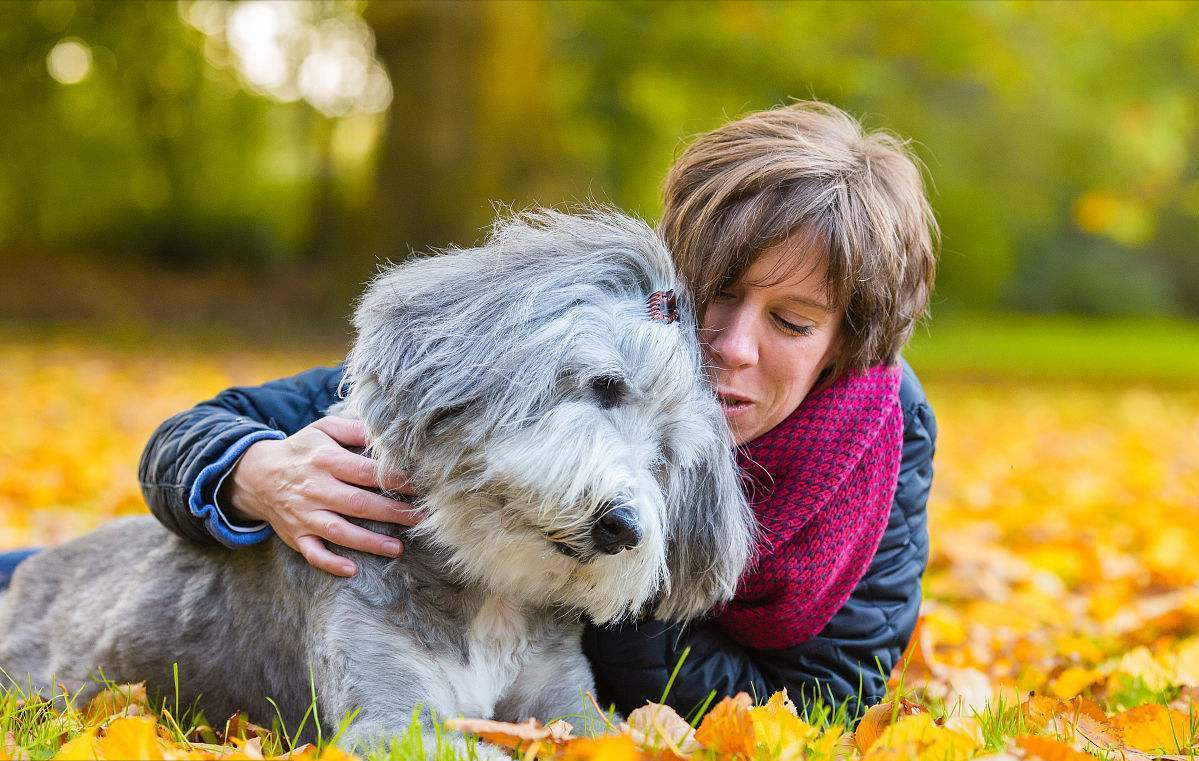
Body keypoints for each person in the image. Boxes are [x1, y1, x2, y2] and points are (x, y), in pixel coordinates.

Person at [2, 101, 937, 721]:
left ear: (846, 341)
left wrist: (609, 572)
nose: (730, 346)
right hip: (138, 590)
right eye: (714, 295)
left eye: (791, 321)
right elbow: (195, 434)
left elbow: (826, 700)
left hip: (556, 645)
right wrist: (254, 473)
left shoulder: (880, 448)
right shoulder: (570, 345)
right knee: (45, 578)